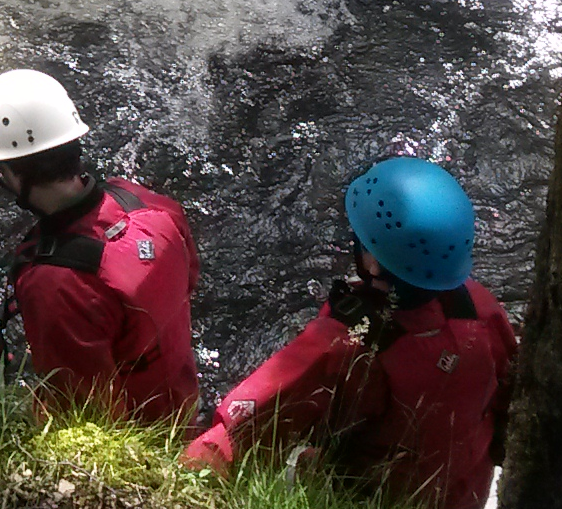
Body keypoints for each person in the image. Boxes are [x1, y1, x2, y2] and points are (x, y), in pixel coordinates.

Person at [181, 157, 518, 509]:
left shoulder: (350, 343)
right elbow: (507, 401)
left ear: (372, 262)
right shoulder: (479, 309)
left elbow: (238, 433)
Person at [0, 69, 198, 424]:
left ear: (9, 172)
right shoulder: (149, 205)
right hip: (182, 406)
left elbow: (85, 414)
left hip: (138, 437)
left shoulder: (54, 284)